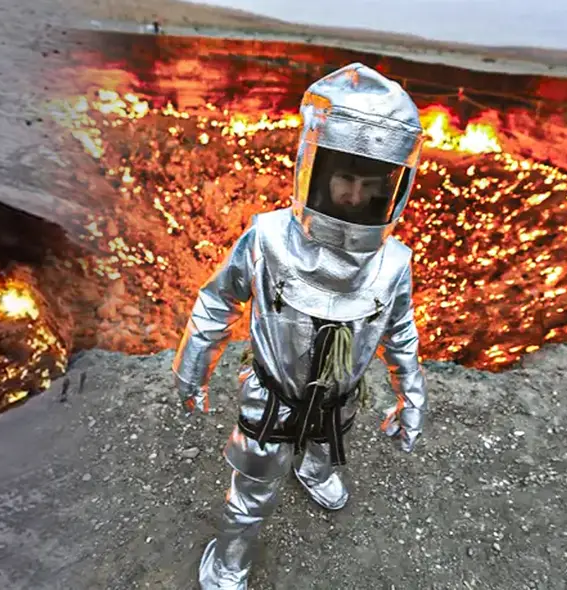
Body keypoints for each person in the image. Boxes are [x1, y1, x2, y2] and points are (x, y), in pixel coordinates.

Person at [172, 62, 429, 590]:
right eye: (344, 177)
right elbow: (218, 300)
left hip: (339, 396)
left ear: (393, 187)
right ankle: (230, 562)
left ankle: (315, 467)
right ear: (316, 167)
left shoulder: (393, 262)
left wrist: (412, 396)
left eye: (369, 183)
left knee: (326, 433)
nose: (354, 197)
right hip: (272, 399)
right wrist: (192, 368)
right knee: (251, 495)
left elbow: (400, 332)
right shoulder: (267, 239)